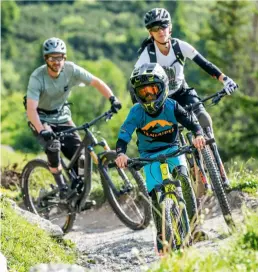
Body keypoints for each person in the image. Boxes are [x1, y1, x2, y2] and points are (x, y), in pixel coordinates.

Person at [134, 8, 238, 187]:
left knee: (204, 119)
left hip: (183, 92)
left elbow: (204, 64)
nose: (160, 31)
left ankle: (218, 168)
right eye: (155, 28)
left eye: (163, 26)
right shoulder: (147, 55)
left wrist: (225, 79)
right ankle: (194, 173)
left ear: (170, 27)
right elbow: (135, 84)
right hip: (163, 101)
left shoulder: (179, 46)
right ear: (150, 32)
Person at [115, 62, 206, 254]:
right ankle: (161, 237)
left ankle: (193, 221)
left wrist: (198, 134)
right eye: (143, 92)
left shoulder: (172, 106)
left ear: (163, 87)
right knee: (155, 197)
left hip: (173, 149)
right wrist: (120, 153)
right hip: (148, 156)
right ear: (137, 94)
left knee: (182, 176)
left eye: (152, 90)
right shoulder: (137, 112)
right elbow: (124, 135)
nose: (148, 96)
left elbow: (192, 123)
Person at [26, 37, 121, 200]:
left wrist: (113, 98)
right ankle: (61, 186)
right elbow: (31, 109)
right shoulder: (37, 77)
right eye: (52, 57)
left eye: (60, 57)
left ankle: (79, 192)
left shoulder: (71, 70)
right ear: (46, 59)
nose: (57, 61)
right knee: (53, 146)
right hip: (41, 118)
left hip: (62, 116)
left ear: (65, 57)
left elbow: (96, 82)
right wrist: (42, 130)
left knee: (82, 157)